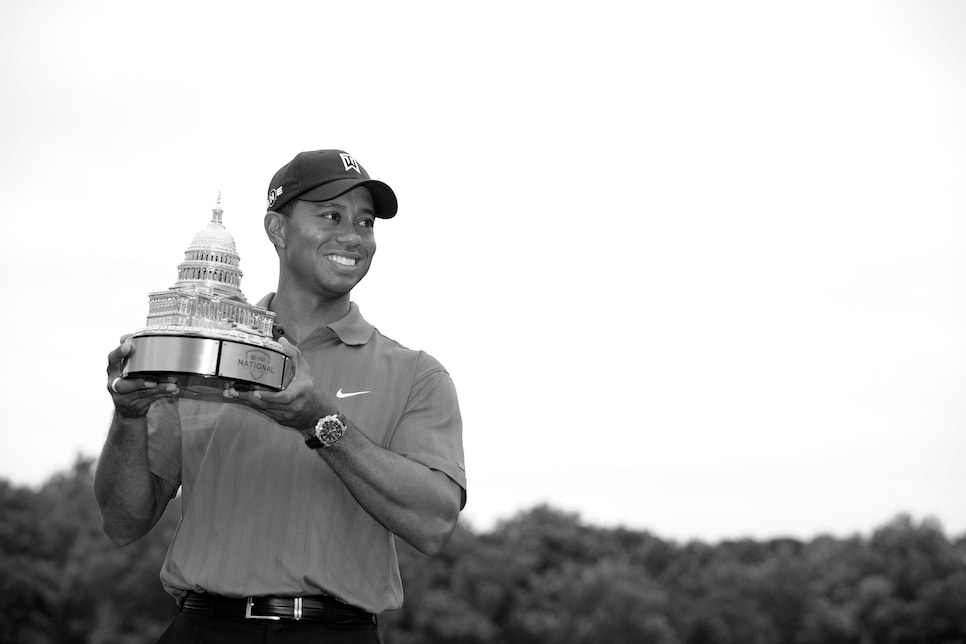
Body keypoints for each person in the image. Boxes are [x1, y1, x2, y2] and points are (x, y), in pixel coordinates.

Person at [94, 150, 467, 643]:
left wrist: (321, 422)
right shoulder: (204, 354)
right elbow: (123, 522)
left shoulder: (417, 373)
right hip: (204, 627)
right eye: (331, 216)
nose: (353, 236)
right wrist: (128, 415)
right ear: (278, 229)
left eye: (365, 221)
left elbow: (433, 524)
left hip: (333, 633)